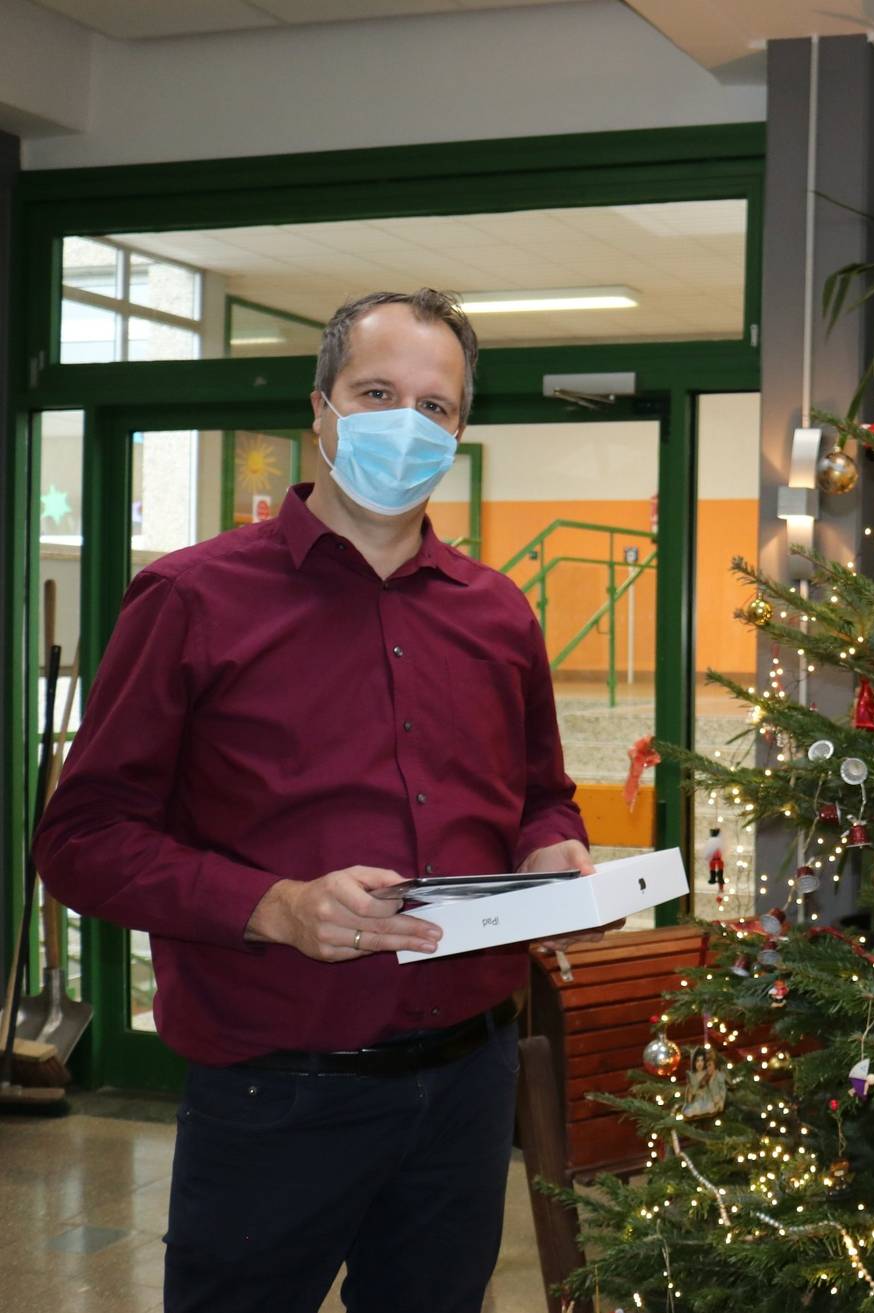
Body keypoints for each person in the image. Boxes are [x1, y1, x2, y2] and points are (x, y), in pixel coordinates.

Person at [36, 289, 598, 1313]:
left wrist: (551, 848)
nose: (406, 422)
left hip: (468, 1086)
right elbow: (81, 840)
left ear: (460, 431)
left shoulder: (498, 613)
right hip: (273, 1090)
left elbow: (540, 794)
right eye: (377, 392)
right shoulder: (194, 599)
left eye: (435, 405)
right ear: (321, 410)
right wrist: (272, 905)